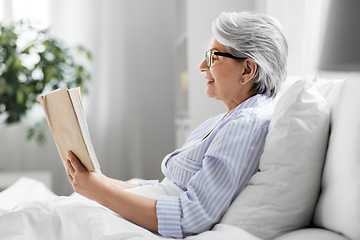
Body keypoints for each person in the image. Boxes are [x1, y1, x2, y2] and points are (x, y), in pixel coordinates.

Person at [64, 11, 288, 238]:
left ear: (247, 70)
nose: (202, 66)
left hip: (150, 220)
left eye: (213, 57)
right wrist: (101, 183)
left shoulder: (243, 126)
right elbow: (173, 187)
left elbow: (190, 216)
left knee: (39, 216)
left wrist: (98, 191)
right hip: (149, 202)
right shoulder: (232, 118)